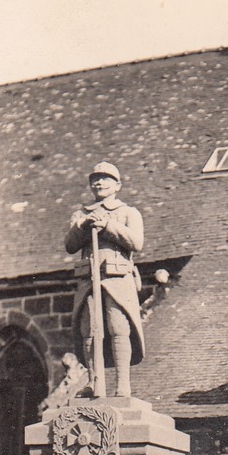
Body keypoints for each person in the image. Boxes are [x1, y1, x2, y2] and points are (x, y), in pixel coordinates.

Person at [65, 162, 144, 398]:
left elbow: (136, 243)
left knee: (118, 327)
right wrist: (83, 225)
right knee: (89, 330)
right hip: (89, 280)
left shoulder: (128, 212)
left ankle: (122, 385)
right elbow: (70, 245)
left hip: (117, 278)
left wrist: (108, 225)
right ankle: (94, 382)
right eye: (95, 179)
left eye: (106, 179)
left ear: (117, 185)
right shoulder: (80, 214)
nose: (99, 182)